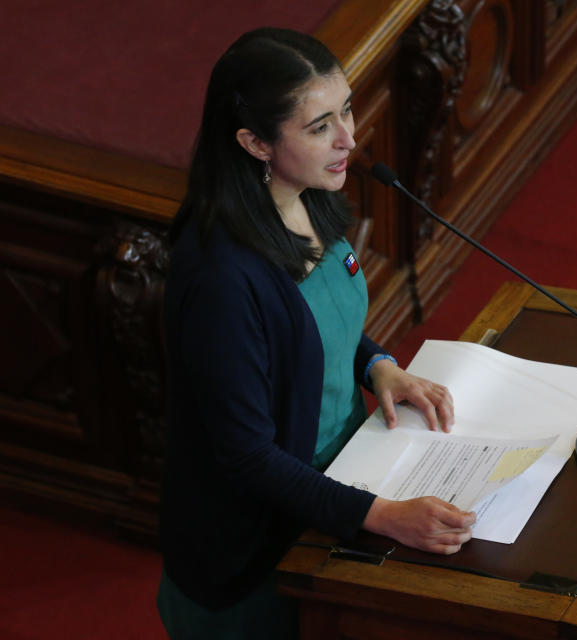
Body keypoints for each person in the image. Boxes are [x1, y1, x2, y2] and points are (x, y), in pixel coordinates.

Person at [157, 27, 476, 639]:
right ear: (254, 142)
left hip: (346, 479)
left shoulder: (315, 197)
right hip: (258, 549)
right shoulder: (222, 280)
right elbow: (247, 457)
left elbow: (313, 323)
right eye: (320, 125)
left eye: (348, 109)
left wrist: (376, 364)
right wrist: (383, 517)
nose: (349, 139)